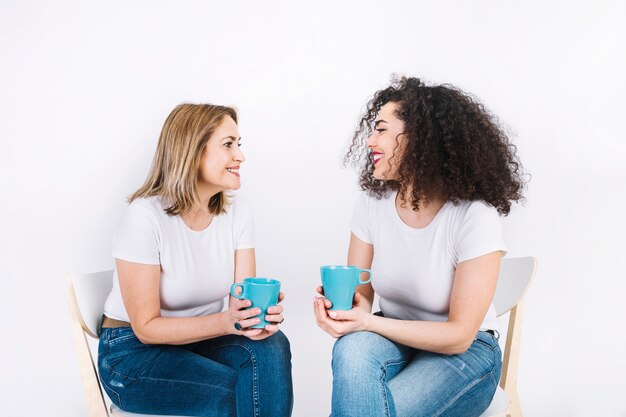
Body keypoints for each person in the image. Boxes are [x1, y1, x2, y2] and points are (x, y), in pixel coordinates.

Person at [313, 77, 526, 417]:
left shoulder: (474, 216)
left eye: (381, 129)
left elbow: (458, 336)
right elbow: (362, 297)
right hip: (393, 337)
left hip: (467, 354)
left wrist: (367, 324)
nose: (370, 140)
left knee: (374, 409)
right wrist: (346, 313)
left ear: (420, 139)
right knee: (351, 350)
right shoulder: (371, 204)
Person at [98, 103, 293, 417]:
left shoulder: (238, 211)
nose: (240, 156)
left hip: (203, 341)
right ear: (193, 150)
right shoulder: (145, 217)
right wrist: (227, 321)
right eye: (228, 145)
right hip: (132, 353)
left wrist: (257, 315)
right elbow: (146, 328)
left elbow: (241, 303)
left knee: (271, 345)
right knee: (245, 392)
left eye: (238, 145)